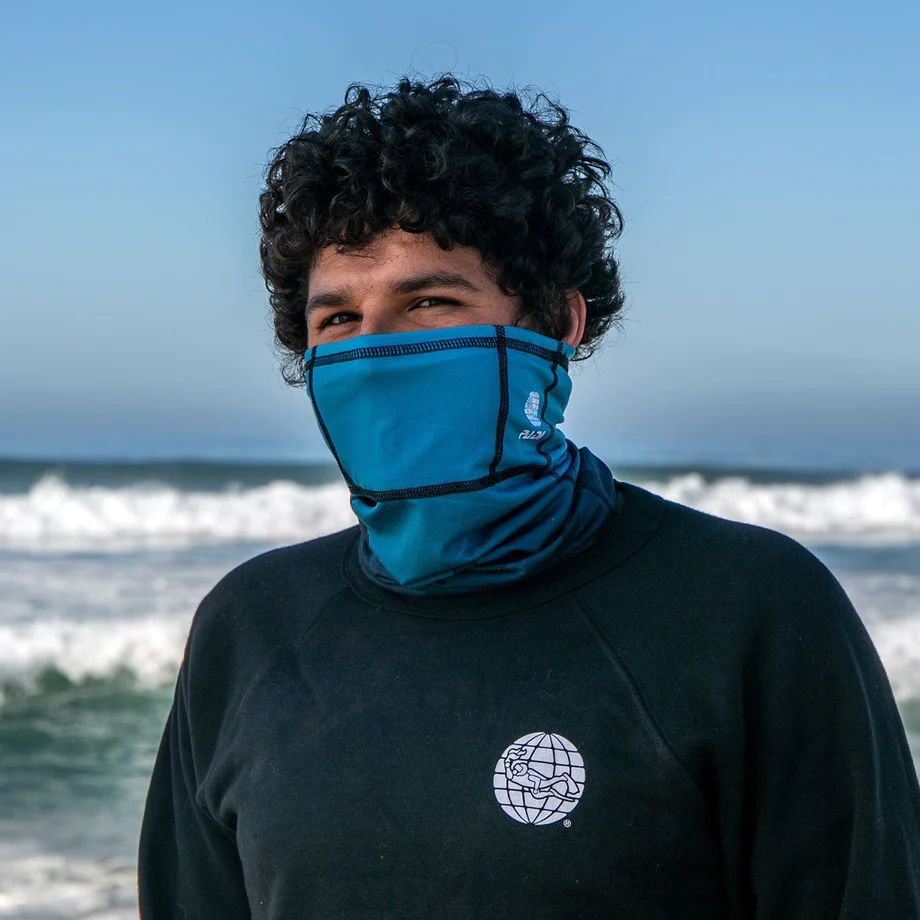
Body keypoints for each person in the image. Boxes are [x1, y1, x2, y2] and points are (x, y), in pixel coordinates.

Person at [138, 75, 920, 918]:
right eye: (337, 320)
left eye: (429, 301)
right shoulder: (249, 628)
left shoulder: (750, 608)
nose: (375, 350)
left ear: (558, 323)